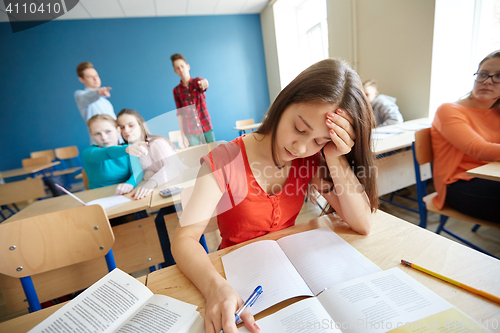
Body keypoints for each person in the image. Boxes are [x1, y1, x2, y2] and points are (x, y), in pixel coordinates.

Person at [171, 59, 378, 333]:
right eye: (300, 128)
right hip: (235, 283)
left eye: (319, 140)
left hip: (290, 283)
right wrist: (215, 288)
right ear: (284, 102)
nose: (301, 146)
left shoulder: (312, 159)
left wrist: (334, 157)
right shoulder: (225, 159)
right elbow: (184, 239)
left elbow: (362, 223)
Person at [431, 50, 500, 222]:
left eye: (498, 76)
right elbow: (478, 149)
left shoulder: (496, 111)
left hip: (491, 175)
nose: (487, 81)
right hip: (458, 182)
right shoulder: (449, 109)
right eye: (483, 74)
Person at [117, 108, 188, 267]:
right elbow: (148, 170)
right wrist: (145, 179)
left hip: (184, 193)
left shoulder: (157, 143)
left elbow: (172, 168)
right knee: (149, 223)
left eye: (130, 125)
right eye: (121, 127)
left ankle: (169, 267)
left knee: (160, 224)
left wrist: (150, 183)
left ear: (141, 125)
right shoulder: (135, 149)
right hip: (168, 194)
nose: (126, 130)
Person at [82, 114, 140, 192]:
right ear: (92, 135)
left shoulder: (129, 148)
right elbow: (107, 152)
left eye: (108, 131)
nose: (104, 137)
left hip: (126, 193)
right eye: (97, 133)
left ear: (118, 131)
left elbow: (138, 172)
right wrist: (127, 149)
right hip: (99, 197)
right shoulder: (89, 153)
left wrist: (130, 184)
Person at [171, 53, 215, 147]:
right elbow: (180, 113)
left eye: (182, 66)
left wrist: (205, 82)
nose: (181, 70)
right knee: (197, 158)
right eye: (177, 68)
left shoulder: (197, 82)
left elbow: (204, 84)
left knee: (214, 155)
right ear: (175, 71)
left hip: (206, 126)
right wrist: (182, 134)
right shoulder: (176, 91)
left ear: (188, 66)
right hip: (190, 131)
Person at [75, 62, 117, 143]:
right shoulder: (80, 96)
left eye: (96, 75)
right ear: (81, 79)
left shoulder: (105, 102)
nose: (95, 79)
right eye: (90, 77)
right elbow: (87, 97)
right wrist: (98, 93)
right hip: (101, 144)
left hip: (116, 142)